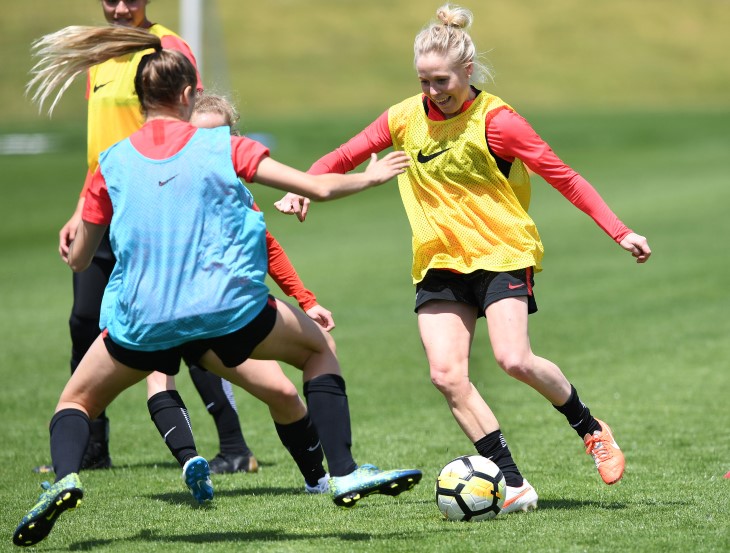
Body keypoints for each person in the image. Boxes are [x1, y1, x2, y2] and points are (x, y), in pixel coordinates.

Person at [14, 25, 421, 547]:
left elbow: (80, 260)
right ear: (188, 95)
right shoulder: (223, 146)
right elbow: (318, 186)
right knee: (319, 352)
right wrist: (372, 175)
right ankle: (341, 472)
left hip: (144, 322)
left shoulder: (110, 163)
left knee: (74, 403)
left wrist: (70, 245)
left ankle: (65, 477)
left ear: (139, 101)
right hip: (226, 314)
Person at [276, 4, 652, 514]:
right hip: (439, 261)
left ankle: (590, 428)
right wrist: (306, 187)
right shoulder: (405, 117)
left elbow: (565, 177)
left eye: (443, 80)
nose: (434, 91)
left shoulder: (499, 122)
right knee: (446, 375)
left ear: (467, 71)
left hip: (501, 253)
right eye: (424, 81)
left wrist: (620, 230)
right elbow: (342, 155)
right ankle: (514, 484)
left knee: (513, 358)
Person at [144, 92, 341, 492]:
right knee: (156, 376)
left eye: (220, 136)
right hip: (168, 308)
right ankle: (189, 460)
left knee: (283, 392)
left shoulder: (235, 190)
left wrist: (307, 299)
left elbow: (266, 245)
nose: (211, 146)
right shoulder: (160, 185)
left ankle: (318, 479)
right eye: (200, 136)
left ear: (232, 139)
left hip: (223, 315)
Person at [49, 0, 204, 472]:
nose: (119, 8)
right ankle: (92, 451)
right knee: (83, 320)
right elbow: (100, 145)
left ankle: (235, 447)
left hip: (148, 208)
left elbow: (188, 124)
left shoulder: (167, 46)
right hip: (102, 209)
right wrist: (81, 207)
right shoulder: (99, 55)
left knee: (188, 329)